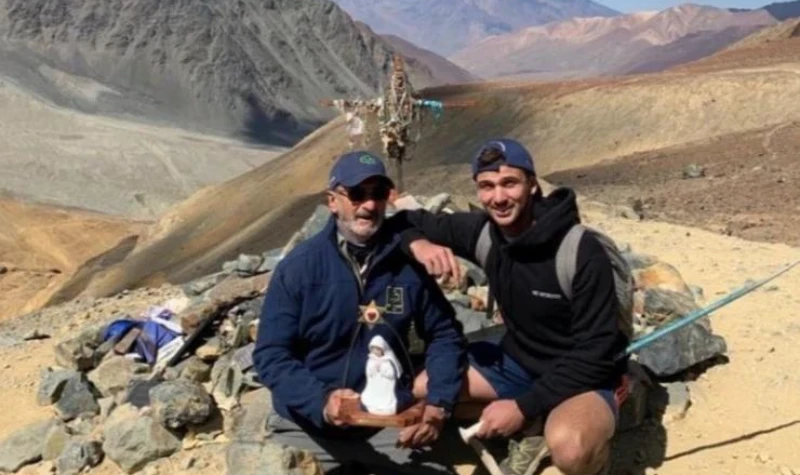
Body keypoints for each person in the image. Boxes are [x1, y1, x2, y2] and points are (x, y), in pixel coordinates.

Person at [394, 138, 630, 475]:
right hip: (518, 362)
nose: (499, 197)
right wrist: (419, 244)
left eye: (509, 183)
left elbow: (597, 351)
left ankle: (603, 422)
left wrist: (523, 406)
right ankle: (534, 427)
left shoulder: (579, 250)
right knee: (424, 390)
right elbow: (403, 221)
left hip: (583, 376)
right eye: (486, 186)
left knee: (571, 449)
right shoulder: (484, 233)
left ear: (532, 185)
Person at [253, 151, 467, 474]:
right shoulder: (299, 268)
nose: (368, 205)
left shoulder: (408, 267)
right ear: (332, 201)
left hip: (387, 425)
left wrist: (439, 403)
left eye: (377, 194)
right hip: (307, 427)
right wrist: (322, 402)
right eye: (356, 194)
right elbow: (271, 354)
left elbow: (446, 335)